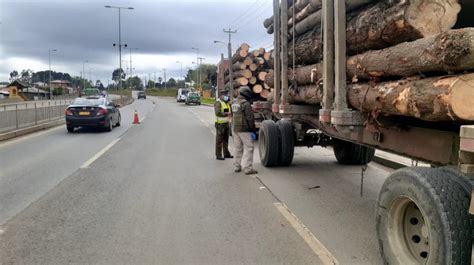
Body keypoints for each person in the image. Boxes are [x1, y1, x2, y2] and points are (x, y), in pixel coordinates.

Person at [232, 86, 258, 175]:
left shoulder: (234, 102)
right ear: (246, 94)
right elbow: (250, 118)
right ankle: (248, 168)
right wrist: (253, 130)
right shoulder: (245, 104)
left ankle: (237, 166)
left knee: (238, 148)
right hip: (244, 129)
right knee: (249, 148)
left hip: (235, 128)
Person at [214, 92, 233, 160]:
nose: (226, 96)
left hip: (226, 123)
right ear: (221, 96)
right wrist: (226, 114)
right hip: (220, 124)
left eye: (227, 95)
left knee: (226, 140)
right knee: (219, 140)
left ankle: (226, 154)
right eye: (225, 95)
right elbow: (218, 112)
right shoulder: (218, 103)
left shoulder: (226, 103)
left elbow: (230, 111)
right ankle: (218, 155)